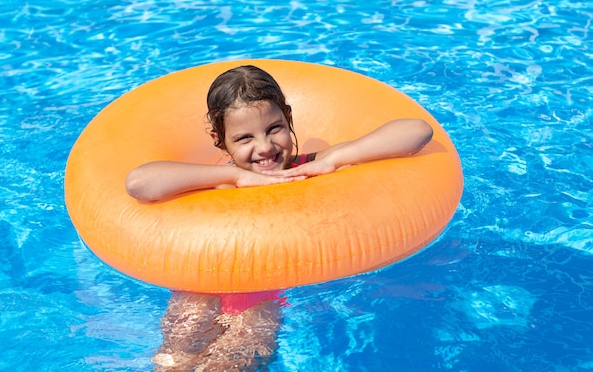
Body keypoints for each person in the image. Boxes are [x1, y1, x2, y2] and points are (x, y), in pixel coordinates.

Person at [126, 65, 434, 371]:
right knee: (173, 362)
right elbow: (139, 183)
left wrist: (335, 159)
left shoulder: (309, 167)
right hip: (199, 286)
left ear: (288, 117)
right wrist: (234, 176)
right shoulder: (219, 182)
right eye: (244, 138)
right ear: (219, 140)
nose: (264, 147)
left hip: (260, 294)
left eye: (274, 128)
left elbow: (417, 131)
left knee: (229, 363)